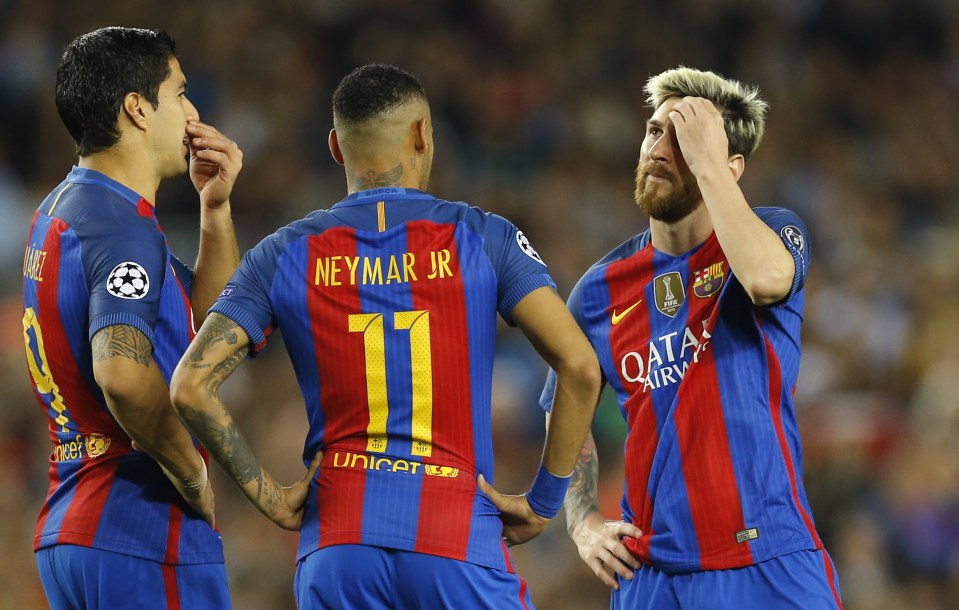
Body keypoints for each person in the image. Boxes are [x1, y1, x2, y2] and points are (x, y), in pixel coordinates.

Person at [169, 63, 601, 609]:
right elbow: (581, 367)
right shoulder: (483, 237)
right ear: (423, 134)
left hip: (337, 548)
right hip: (455, 542)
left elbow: (190, 384)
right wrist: (542, 503)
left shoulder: (284, 252)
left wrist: (271, 498)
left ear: (334, 147)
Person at [540, 67, 844, 609]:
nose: (658, 148)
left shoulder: (773, 233)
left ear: (728, 166)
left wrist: (709, 164)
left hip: (767, 561)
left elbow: (767, 281)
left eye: (683, 138)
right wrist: (582, 522)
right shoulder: (597, 291)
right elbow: (564, 409)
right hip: (651, 578)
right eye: (655, 130)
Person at [22, 26, 245, 608]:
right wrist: (190, 469)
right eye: (180, 92)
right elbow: (120, 372)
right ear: (138, 109)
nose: (193, 112)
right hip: (140, 530)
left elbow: (206, 327)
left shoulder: (70, 209)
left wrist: (214, 211)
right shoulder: (121, 228)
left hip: (75, 527)